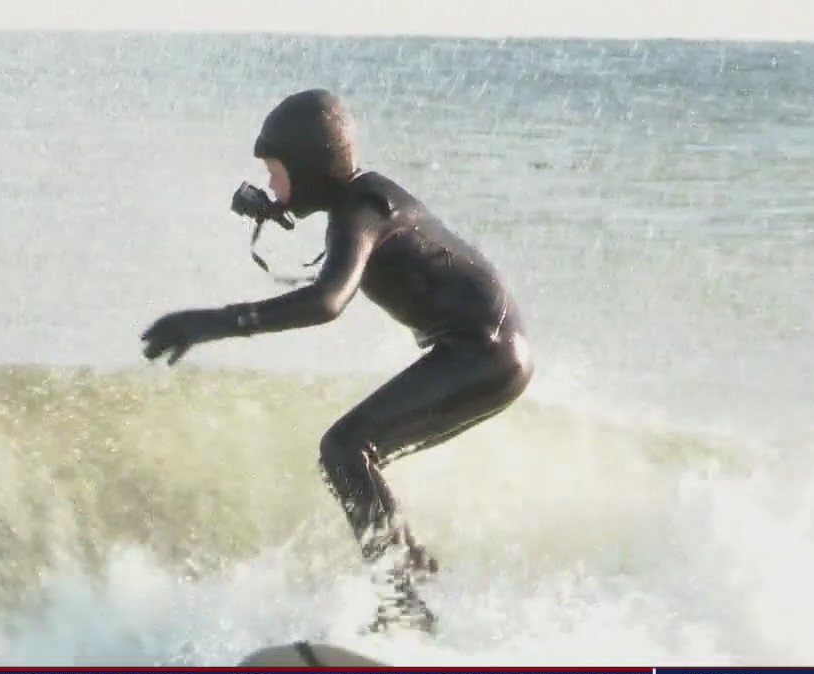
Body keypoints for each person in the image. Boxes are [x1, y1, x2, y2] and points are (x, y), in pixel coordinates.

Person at [140, 88, 534, 631]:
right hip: (487, 352)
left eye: (277, 174)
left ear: (308, 167)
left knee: (345, 449)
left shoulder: (361, 208)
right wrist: (279, 210)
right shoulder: (358, 201)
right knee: (355, 453)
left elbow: (327, 301)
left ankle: (402, 602)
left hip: (482, 351)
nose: (271, 186)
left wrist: (209, 323)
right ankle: (408, 580)